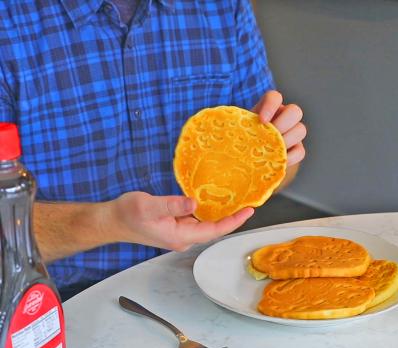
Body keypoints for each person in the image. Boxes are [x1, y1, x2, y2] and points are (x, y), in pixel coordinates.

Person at [0, 0, 306, 300]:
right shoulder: (10, 21)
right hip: (57, 300)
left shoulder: (224, 7)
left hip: (206, 278)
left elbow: (283, 173)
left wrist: (279, 149)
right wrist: (108, 221)